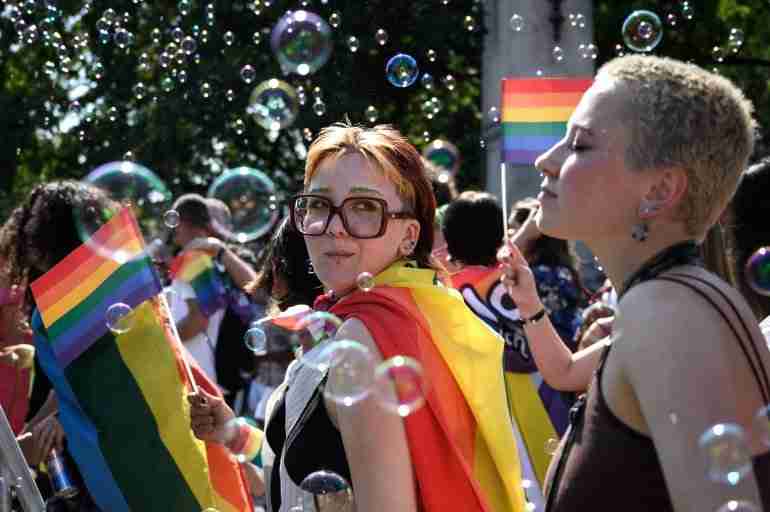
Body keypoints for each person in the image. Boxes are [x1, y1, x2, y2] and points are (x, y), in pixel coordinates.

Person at [190, 123, 538, 512]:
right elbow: (305, 468)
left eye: (364, 208)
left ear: (409, 236)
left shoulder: (363, 334)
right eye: (319, 205)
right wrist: (231, 431)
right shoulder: (383, 316)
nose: (336, 227)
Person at [498, 55, 768, 511]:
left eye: (579, 145)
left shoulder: (666, 314)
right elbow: (563, 372)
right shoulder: (673, 300)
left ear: (660, 191)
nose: (546, 160)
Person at [443, 192, 582, 438]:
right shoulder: (518, 280)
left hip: (478, 413)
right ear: (499, 237)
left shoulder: (446, 292)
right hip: (539, 405)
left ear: (449, 241)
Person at [167, 193, 256, 384]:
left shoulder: (202, 258)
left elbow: (198, 320)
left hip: (208, 371)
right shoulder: (195, 259)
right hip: (206, 370)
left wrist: (163, 340)